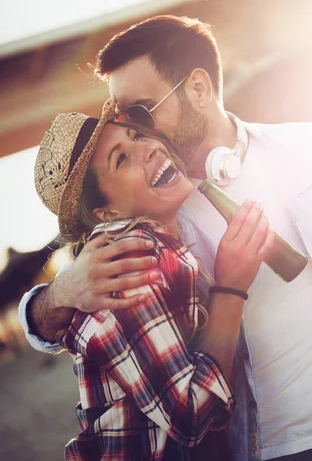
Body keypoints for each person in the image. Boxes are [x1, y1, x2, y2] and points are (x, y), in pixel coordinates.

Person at [20, 16, 312, 461]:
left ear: (198, 88)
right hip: (270, 449)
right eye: (122, 118)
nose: (139, 132)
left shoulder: (306, 143)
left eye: (138, 114)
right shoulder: (158, 215)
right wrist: (61, 292)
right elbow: (81, 328)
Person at [32, 98, 273, 460]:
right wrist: (232, 285)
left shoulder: (158, 246)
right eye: (121, 158)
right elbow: (192, 415)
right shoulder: (126, 262)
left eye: (137, 136)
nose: (148, 148)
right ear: (107, 212)